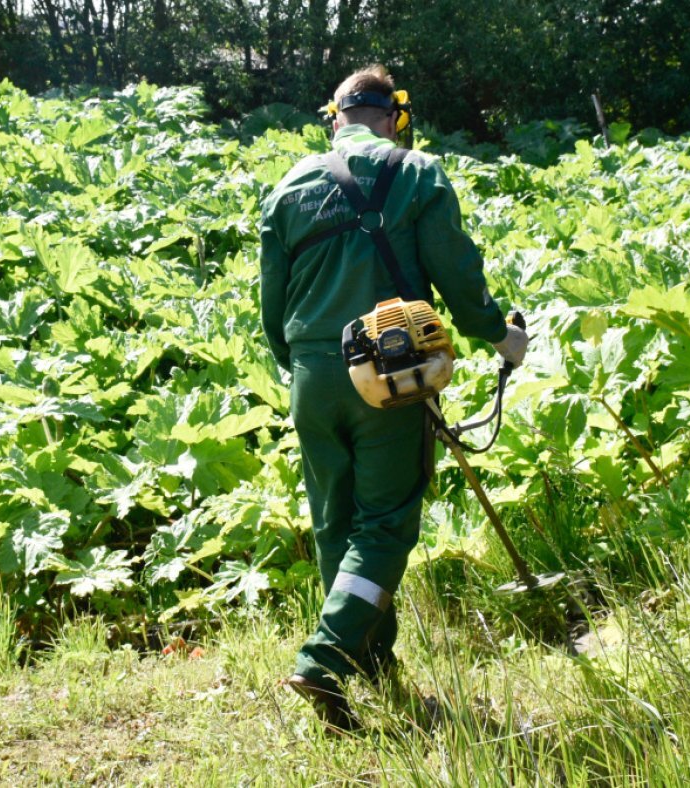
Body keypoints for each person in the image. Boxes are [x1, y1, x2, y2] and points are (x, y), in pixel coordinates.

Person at [258, 64, 528, 731]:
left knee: (337, 525)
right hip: (389, 372)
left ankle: (370, 664)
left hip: (312, 377)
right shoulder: (417, 175)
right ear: (393, 117)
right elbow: (458, 277)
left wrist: (303, 368)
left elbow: (271, 307)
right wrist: (501, 337)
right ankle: (324, 659)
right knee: (384, 526)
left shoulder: (289, 187)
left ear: (337, 117)